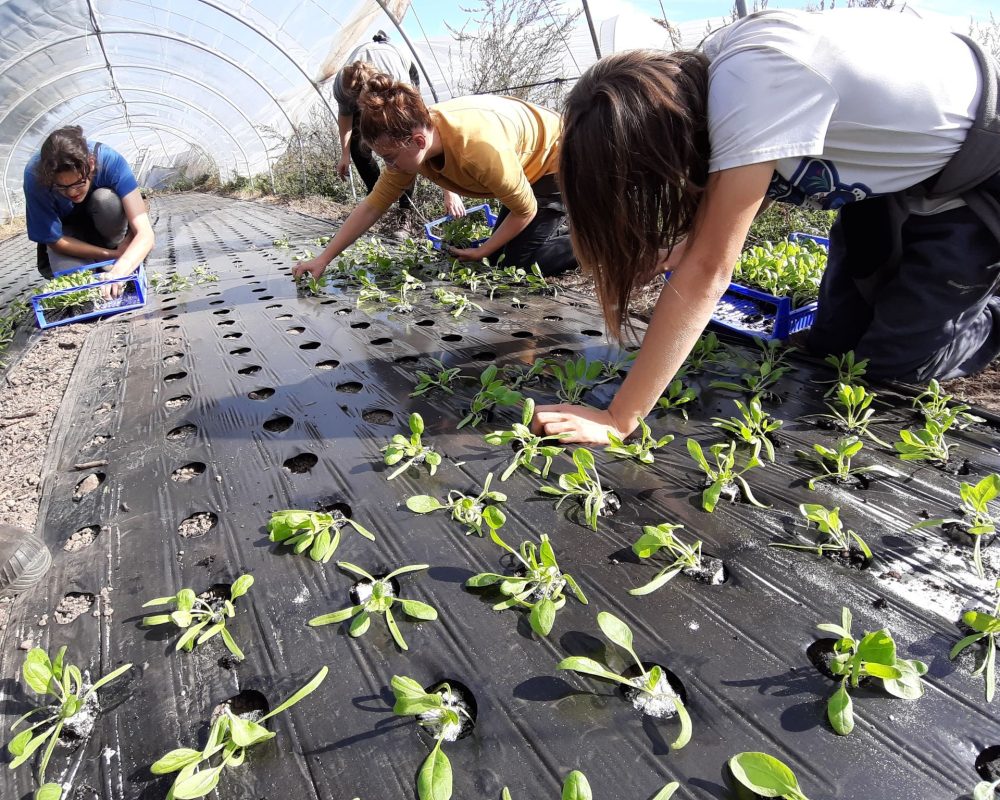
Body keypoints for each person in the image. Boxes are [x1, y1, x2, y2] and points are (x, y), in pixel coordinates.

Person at [533, 7, 1000, 444]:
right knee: (831, 346)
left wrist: (619, 418)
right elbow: (731, 201)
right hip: (890, 177)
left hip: (980, 162)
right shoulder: (709, 89)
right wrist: (682, 246)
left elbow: (708, 273)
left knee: (892, 365)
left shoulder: (755, 83)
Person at [293, 69, 577, 281]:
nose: (388, 166)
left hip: (557, 160)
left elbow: (525, 210)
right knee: (501, 252)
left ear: (418, 141)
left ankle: (591, 244)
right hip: (522, 165)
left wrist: (482, 251)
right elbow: (371, 207)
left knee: (514, 264)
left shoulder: (476, 150)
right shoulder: (411, 147)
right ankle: (559, 229)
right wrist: (323, 259)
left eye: (390, 158)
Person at [333, 31, 463, 222]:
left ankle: (405, 212)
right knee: (358, 147)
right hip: (366, 85)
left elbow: (428, 134)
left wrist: (450, 191)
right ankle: (379, 197)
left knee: (406, 145)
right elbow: (345, 117)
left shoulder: (396, 82)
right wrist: (345, 154)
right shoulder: (343, 86)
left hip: (402, 69)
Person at [24, 126, 154, 297]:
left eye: (78, 183)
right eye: (61, 187)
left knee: (106, 200)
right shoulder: (35, 176)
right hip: (69, 235)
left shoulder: (110, 160)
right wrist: (111, 255)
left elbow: (146, 234)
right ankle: (103, 262)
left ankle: (115, 252)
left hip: (107, 225)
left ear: (91, 164)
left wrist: (120, 269)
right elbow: (54, 240)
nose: (71, 193)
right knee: (78, 289)